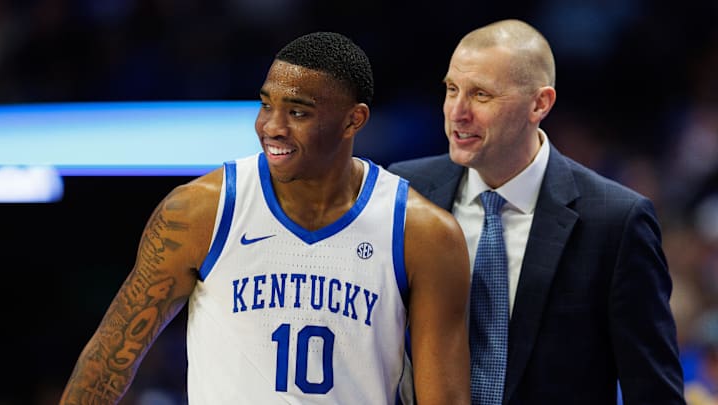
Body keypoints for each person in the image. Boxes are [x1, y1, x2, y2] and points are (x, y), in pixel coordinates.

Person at [59, 31, 471, 405]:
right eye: (266, 105)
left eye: (298, 112)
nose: (272, 126)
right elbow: (107, 365)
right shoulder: (200, 212)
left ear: (354, 120)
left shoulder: (423, 235)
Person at [388, 19, 686, 404]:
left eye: (480, 95)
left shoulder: (616, 221)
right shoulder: (405, 192)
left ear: (539, 103)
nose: (457, 112)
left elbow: (654, 392)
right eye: (451, 89)